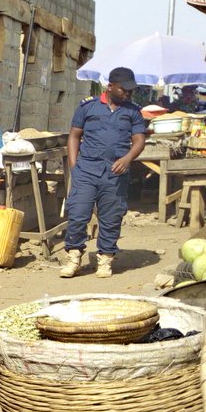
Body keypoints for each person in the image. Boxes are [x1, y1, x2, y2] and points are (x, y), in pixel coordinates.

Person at [61, 66, 146, 279]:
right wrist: (74, 167)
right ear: (110, 87)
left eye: (131, 90)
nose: (128, 93)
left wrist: (127, 159)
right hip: (87, 170)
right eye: (124, 89)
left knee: (111, 217)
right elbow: (74, 137)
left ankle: (106, 259)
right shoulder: (87, 107)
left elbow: (139, 140)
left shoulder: (133, 111)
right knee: (78, 214)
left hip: (115, 173)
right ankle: (73, 257)